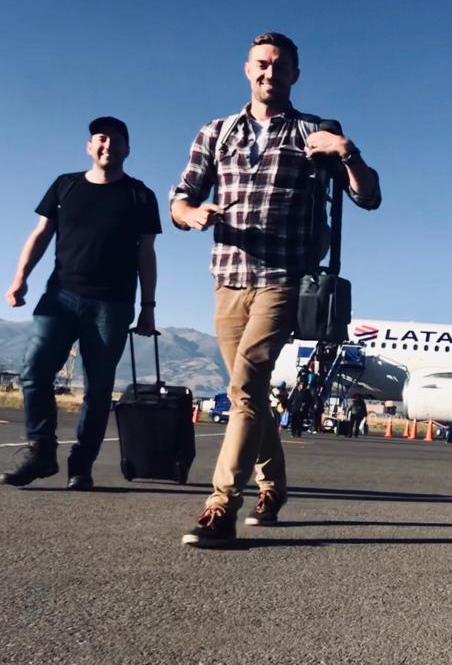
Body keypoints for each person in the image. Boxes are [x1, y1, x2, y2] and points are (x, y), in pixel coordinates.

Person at [172, 32, 381, 548]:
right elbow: (180, 197)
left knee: (245, 385)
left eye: (281, 66)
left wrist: (348, 152)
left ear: (295, 75)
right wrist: (192, 213)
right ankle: (274, 485)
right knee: (252, 393)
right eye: (263, 64)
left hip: (285, 280)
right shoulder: (215, 132)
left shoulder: (315, 133)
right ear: (248, 69)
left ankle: (221, 503)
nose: (271, 73)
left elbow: (369, 197)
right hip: (227, 277)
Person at [1, 117, 160, 491]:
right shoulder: (65, 186)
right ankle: (41, 452)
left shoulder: (140, 195)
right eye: (100, 139)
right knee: (34, 370)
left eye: (116, 140)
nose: (107, 145)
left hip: (113, 303)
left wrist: (148, 305)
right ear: (90, 147)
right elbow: (40, 234)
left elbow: (147, 254)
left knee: (99, 387)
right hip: (60, 296)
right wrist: (19, 278)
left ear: (127, 149)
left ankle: (81, 465)